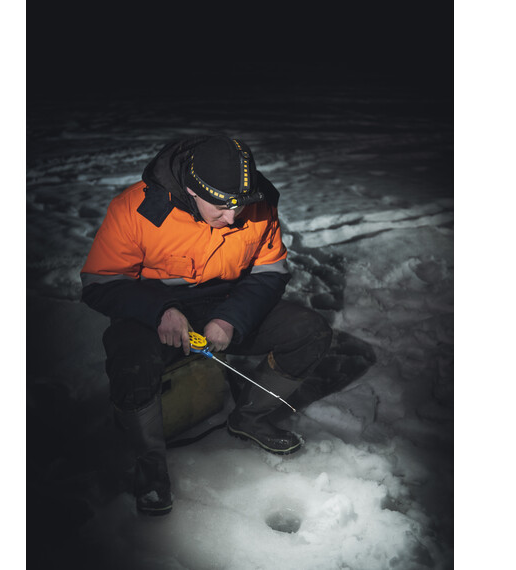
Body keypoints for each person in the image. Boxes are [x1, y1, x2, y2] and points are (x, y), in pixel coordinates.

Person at [80, 135, 333, 516]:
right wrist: (160, 312)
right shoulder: (137, 208)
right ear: (190, 190)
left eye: (239, 206)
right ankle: (149, 465)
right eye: (221, 207)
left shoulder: (259, 202)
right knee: (131, 361)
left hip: (227, 303)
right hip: (152, 310)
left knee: (310, 332)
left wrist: (231, 318)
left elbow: (270, 272)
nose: (233, 218)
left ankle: (250, 418)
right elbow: (100, 282)